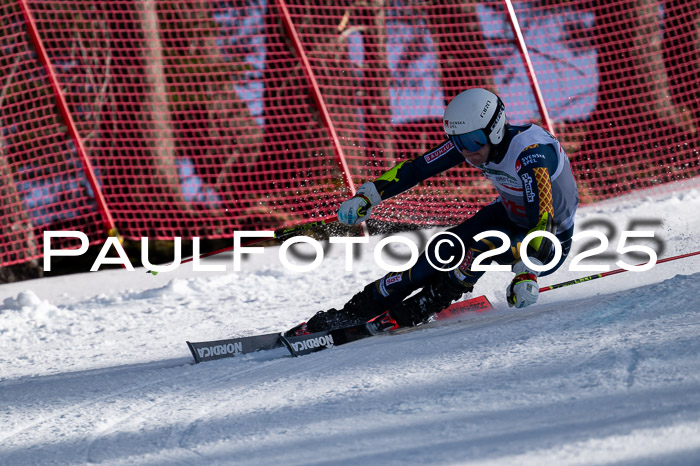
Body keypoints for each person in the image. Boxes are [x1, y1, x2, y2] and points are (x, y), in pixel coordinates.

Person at [287, 88, 579, 336]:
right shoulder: (473, 142)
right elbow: (417, 168)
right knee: (442, 249)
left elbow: (543, 218)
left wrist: (527, 272)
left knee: (479, 249)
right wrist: (368, 196)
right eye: (458, 141)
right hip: (507, 216)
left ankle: (420, 307)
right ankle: (355, 311)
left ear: (496, 128)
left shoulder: (532, 154)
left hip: (548, 241)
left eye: (473, 141)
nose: (466, 151)